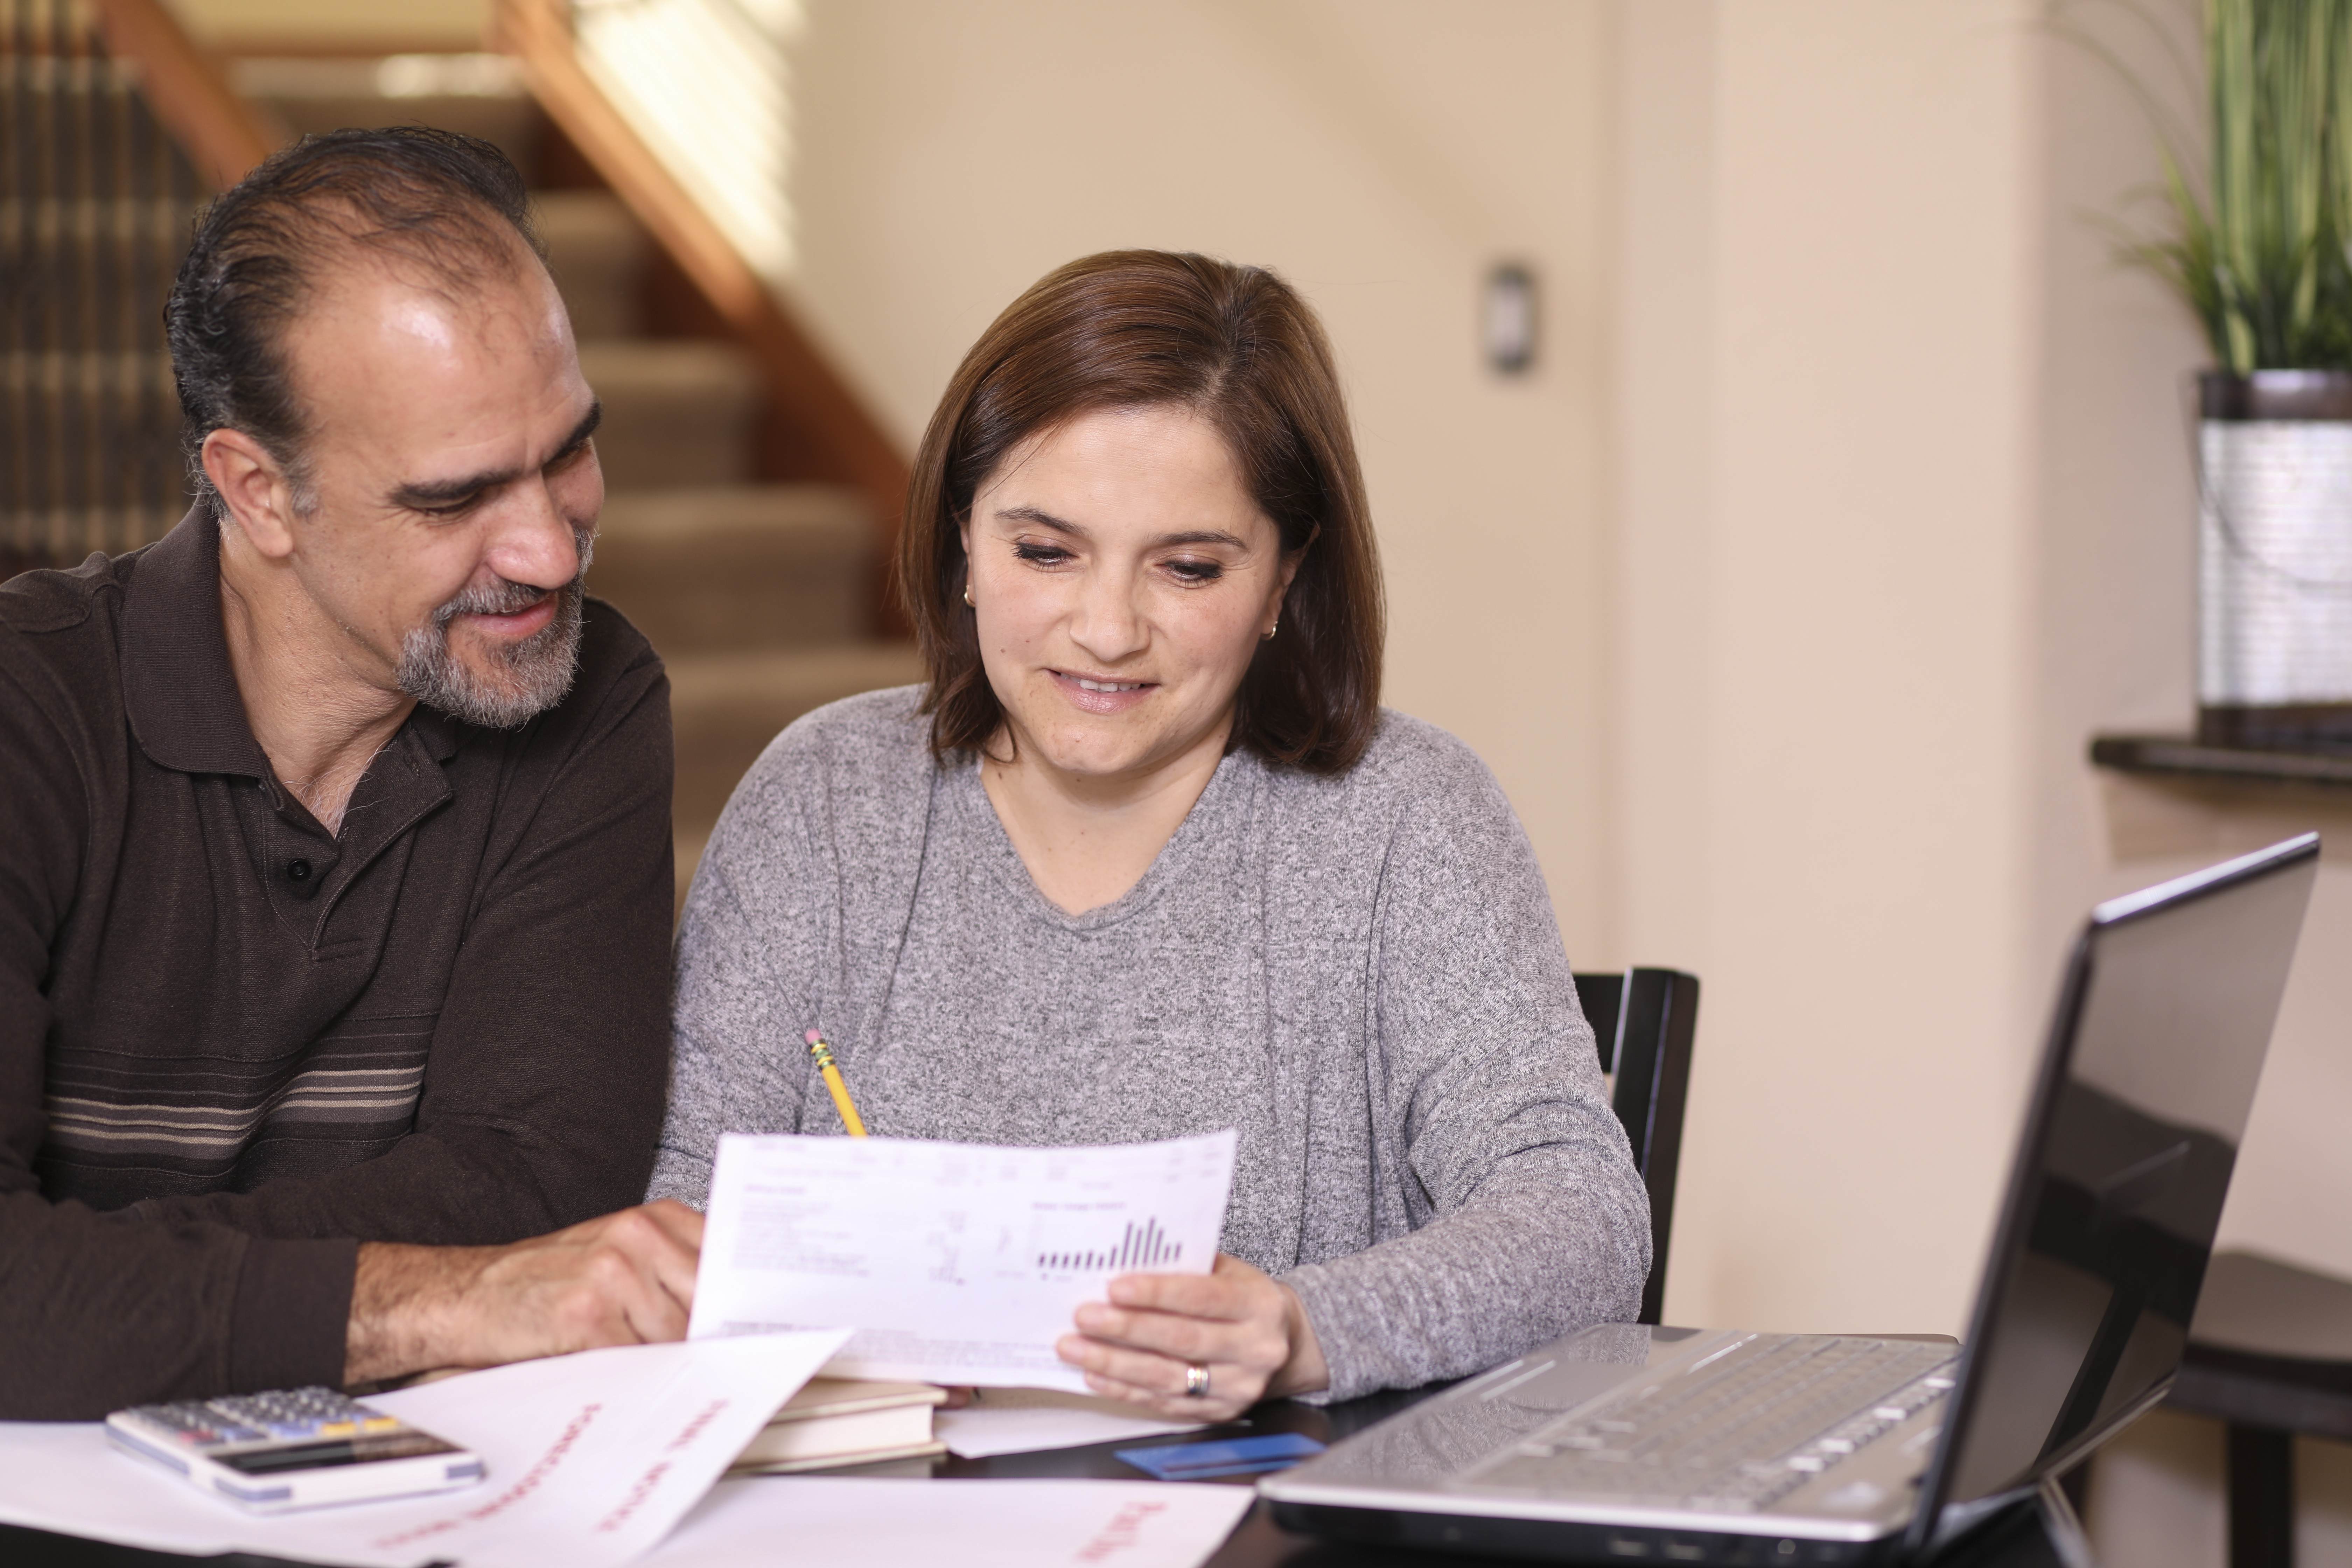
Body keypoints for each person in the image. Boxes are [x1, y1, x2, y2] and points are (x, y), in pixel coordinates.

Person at [654, 250, 1651, 1418]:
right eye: (1044, 552)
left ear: (1287, 579)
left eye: (1187, 568)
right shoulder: (822, 801)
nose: (1107, 629)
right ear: (961, 542)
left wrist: (1301, 1328)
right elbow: (679, 1214)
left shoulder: (1408, 819)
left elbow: (1583, 1219)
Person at [0, 128, 700, 1420]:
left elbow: (540, 1185)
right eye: (454, 498)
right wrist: (437, 1295)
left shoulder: (587, 697)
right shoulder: (29, 712)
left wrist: (89, 1283)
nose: (549, 551)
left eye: (569, 452)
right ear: (257, 492)